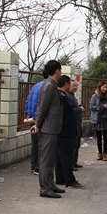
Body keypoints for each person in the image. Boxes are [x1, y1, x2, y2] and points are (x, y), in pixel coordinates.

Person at [31, 60, 66, 199]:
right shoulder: (49, 86)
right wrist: (37, 124)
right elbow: (42, 107)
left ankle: (50, 184)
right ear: (57, 70)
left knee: (50, 158)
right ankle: (45, 188)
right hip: (48, 128)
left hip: (51, 127)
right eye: (60, 70)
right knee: (46, 159)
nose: (61, 72)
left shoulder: (51, 85)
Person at [55, 76, 85, 189]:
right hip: (65, 130)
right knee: (67, 156)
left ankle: (60, 178)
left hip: (63, 129)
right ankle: (69, 179)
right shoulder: (62, 96)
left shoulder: (62, 95)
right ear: (66, 84)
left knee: (60, 155)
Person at [24, 72, 47, 175]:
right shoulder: (47, 87)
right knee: (41, 144)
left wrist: (29, 114)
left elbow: (28, 100)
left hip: (32, 118)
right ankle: (38, 167)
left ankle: (33, 166)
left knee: (34, 143)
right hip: (40, 119)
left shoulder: (35, 86)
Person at [90, 82, 107, 161]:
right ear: (99, 88)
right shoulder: (95, 96)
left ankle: (105, 153)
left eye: (106, 87)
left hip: (106, 118)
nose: (105, 89)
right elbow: (91, 106)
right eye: (103, 87)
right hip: (98, 118)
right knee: (99, 137)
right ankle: (99, 153)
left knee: (106, 136)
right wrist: (100, 107)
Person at [67, 80, 85, 170]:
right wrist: (79, 109)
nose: (75, 88)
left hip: (77, 123)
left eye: (76, 86)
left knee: (76, 144)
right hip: (73, 124)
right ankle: (71, 163)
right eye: (73, 86)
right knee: (73, 145)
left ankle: (74, 162)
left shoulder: (72, 96)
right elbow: (70, 111)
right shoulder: (68, 96)